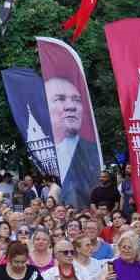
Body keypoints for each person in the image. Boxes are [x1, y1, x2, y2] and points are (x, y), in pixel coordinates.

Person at [45, 73, 100, 207]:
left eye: (76, 100)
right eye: (60, 99)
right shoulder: (43, 152)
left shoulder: (93, 153)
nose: (71, 106)